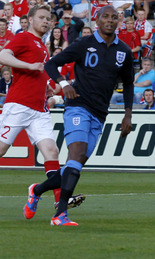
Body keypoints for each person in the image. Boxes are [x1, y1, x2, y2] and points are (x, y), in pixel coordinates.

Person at [28, 6, 133, 226]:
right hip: (77, 106)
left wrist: (127, 115)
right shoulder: (84, 44)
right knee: (76, 153)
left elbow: (129, 84)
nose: (110, 21)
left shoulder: (123, 50)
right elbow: (51, 64)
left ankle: (36, 190)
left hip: (100, 114)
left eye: (115, 17)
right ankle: (60, 214)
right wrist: (64, 84)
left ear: (119, 22)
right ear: (97, 20)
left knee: (73, 166)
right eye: (106, 17)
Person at [0, 5, 85, 220]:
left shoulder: (42, 46)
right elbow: (3, 55)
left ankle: (59, 204)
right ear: (29, 19)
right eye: (41, 17)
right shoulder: (23, 38)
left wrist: (46, 86)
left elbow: (38, 72)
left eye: (49, 18)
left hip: (39, 109)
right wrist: (29, 67)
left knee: (52, 152)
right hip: (18, 105)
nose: (46, 21)